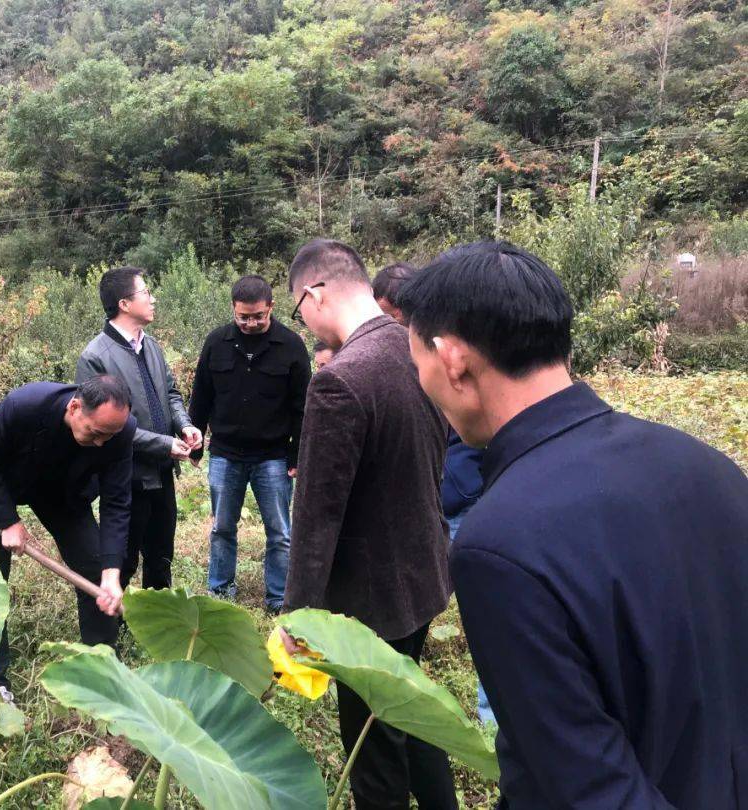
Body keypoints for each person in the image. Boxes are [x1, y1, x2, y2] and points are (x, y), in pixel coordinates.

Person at [397, 240, 748, 809]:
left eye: (419, 366)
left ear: (452, 357)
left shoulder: (498, 545)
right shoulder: (703, 463)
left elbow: (588, 788)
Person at [282, 238, 457, 810]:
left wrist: (298, 617)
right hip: (422, 574)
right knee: (415, 712)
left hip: (369, 602)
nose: (304, 323)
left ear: (316, 293)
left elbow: (314, 517)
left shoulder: (340, 380)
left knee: (373, 746)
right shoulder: (415, 349)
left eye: (297, 309)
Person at [0, 375, 135, 700]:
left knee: (94, 564)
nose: (100, 444)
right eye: (95, 433)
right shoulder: (24, 405)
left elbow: (117, 501)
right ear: (75, 407)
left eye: (109, 437)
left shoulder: (117, 432)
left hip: (60, 489)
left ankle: (103, 667)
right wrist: (8, 520)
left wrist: (111, 573)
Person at [377, 259, 492, 724]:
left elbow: (476, 434)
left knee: (488, 611)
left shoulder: (447, 359)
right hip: (417, 507)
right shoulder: (381, 363)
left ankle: (491, 717)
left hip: (462, 502)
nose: (388, 325)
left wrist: (458, 486)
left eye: (393, 316)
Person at [188, 275, 311, 611]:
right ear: (233, 309)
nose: (251, 323)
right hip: (225, 453)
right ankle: (220, 593)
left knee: (279, 533)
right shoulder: (216, 343)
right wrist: (195, 442)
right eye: (243, 317)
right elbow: (201, 395)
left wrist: (297, 453)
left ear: (271, 307)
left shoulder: (291, 346)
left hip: (272, 456)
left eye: (258, 316)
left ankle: (277, 599)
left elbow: (303, 406)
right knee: (222, 527)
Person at [76, 267, 201, 591]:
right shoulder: (95, 357)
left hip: (161, 470)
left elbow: (171, 393)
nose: (152, 298)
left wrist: (184, 425)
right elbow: (102, 425)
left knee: (161, 556)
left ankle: (158, 622)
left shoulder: (152, 347)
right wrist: (163, 444)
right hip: (126, 475)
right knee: (125, 557)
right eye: (146, 292)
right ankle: (112, 622)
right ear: (125, 303)